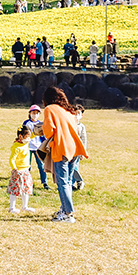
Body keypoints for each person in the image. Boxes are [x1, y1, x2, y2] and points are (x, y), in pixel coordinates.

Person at [42, 87, 89, 223]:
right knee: (68, 181)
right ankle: (65, 209)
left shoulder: (50, 109)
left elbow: (49, 131)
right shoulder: (68, 111)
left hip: (61, 148)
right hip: (74, 148)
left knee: (62, 181)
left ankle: (68, 214)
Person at [7, 125, 35, 213]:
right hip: (18, 171)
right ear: (20, 136)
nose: (28, 138)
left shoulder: (26, 143)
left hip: (26, 170)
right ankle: (12, 207)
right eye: (27, 136)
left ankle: (25, 206)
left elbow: (34, 135)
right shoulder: (16, 147)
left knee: (26, 188)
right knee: (15, 189)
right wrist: (14, 169)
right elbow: (12, 159)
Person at [23, 104, 50, 191]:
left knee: (41, 166)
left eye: (37, 113)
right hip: (28, 147)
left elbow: (43, 136)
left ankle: (45, 182)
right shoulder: (26, 123)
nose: (35, 114)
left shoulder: (40, 124)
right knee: (27, 165)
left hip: (38, 147)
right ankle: (26, 182)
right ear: (30, 113)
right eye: (33, 112)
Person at [70, 104, 88, 190]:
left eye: (78, 113)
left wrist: (83, 152)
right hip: (69, 149)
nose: (76, 115)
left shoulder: (81, 126)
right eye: (74, 113)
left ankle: (80, 181)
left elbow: (83, 139)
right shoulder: (69, 124)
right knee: (70, 167)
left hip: (77, 150)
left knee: (75, 167)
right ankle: (72, 183)